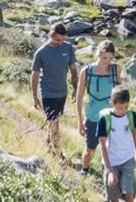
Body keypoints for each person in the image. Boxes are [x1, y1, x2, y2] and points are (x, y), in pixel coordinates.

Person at [97, 85, 136, 202]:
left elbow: (135, 134)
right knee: (113, 195)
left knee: (129, 191)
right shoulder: (105, 119)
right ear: (112, 102)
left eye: (125, 107)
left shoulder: (131, 116)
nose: (122, 111)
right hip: (111, 162)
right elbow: (102, 145)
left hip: (127, 159)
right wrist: (110, 170)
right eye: (119, 107)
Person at [29, 23, 80, 164]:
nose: (60, 43)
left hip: (62, 92)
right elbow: (34, 75)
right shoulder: (41, 52)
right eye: (57, 40)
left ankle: (48, 144)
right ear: (50, 35)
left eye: (63, 40)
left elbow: (73, 70)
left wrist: (75, 89)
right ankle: (58, 153)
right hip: (47, 92)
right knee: (54, 123)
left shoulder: (68, 48)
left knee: (55, 120)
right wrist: (34, 97)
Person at [77, 40, 122, 176]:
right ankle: (84, 170)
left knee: (111, 149)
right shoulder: (86, 71)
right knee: (90, 149)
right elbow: (79, 97)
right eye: (104, 58)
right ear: (98, 54)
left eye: (110, 58)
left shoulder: (116, 69)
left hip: (112, 115)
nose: (107, 61)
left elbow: (120, 92)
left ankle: (110, 175)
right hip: (93, 115)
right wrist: (80, 121)